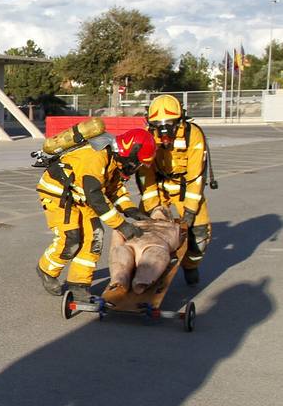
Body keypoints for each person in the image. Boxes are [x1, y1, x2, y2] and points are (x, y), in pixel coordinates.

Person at [35, 127, 154, 300]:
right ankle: (46, 269)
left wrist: (130, 209)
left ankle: (79, 284)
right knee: (71, 238)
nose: (136, 167)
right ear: (130, 151)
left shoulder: (114, 160)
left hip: (81, 196)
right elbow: (96, 198)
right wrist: (122, 226)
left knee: (94, 237)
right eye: (137, 162)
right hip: (58, 194)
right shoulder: (96, 156)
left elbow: (115, 189)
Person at [141, 94, 212, 285]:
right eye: (158, 125)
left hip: (185, 188)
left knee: (199, 235)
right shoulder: (147, 135)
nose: (164, 131)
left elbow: (196, 177)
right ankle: (146, 272)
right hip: (158, 187)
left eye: (169, 124)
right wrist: (153, 207)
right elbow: (145, 176)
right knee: (146, 232)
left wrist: (189, 211)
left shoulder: (193, 135)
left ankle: (190, 265)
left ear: (180, 121)